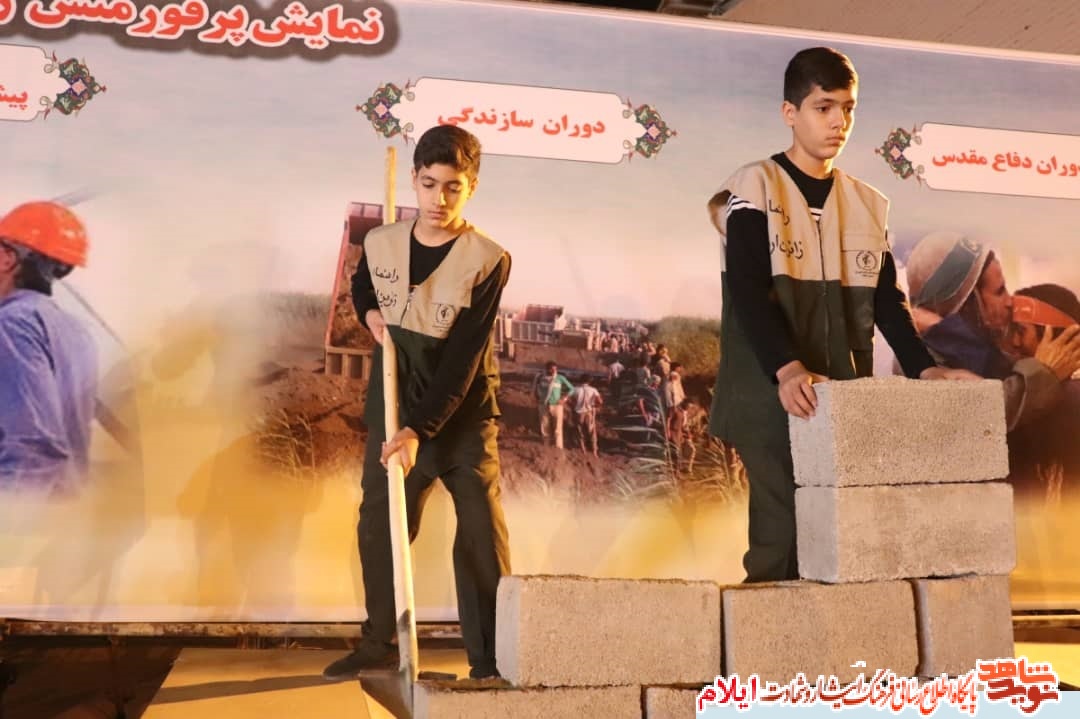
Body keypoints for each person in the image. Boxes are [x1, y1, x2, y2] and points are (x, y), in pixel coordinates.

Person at [707, 47, 976, 583]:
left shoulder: (867, 204)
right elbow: (748, 290)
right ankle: (766, 635)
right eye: (823, 107)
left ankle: (826, 638)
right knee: (781, 534)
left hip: (839, 395)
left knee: (835, 535)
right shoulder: (754, 186)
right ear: (790, 113)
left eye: (848, 109)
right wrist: (787, 368)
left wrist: (926, 369)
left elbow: (887, 302)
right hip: (767, 391)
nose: (839, 123)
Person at [323, 125, 511, 681]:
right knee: (380, 527)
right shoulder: (382, 242)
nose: (439, 199)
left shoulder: (488, 259)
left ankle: (490, 661)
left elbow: (463, 361)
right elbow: (363, 286)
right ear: (414, 180)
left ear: (471, 187)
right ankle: (379, 642)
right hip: (394, 407)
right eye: (429, 184)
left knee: (480, 534)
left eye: (453, 187)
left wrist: (418, 431)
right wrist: (370, 315)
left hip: (463, 419)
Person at [904, 232, 1080, 430]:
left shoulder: (974, 349)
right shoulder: (923, 364)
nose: (1009, 301)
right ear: (969, 305)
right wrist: (1045, 375)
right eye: (999, 291)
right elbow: (981, 414)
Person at [0, 201, 97, 494]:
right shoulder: (77, 331)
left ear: (6, 258)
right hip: (65, 507)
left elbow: (33, 450)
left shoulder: (12, 324)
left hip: (25, 509)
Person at [532, 361, 574, 450]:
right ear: (547, 369)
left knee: (558, 428)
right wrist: (536, 398)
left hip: (557, 406)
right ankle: (546, 446)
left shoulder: (560, 378)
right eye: (552, 369)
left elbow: (571, 389)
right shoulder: (541, 378)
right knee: (544, 426)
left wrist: (564, 399)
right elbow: (535, 388)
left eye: (555, 369)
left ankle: (558, 447)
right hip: (544, 405)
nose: (554, 371)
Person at [568, 376, 603, 457]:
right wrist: (595, 406)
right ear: (589, 381)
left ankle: (583, 450)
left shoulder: (575, 389)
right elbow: (600, 401)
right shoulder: (593, 390)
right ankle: (594, 451)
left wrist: (573, 405)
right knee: (592, 432)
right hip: (588, 412)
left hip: (578, 412)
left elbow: (568, 398)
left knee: (579, 431)